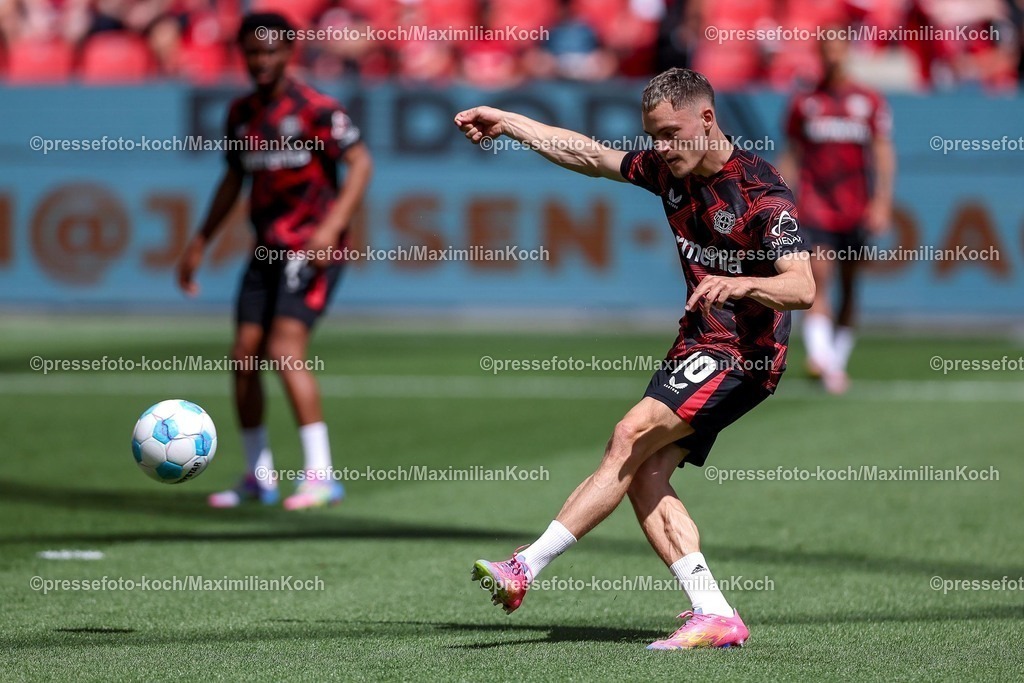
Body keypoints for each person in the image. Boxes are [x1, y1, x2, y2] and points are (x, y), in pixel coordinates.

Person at [455, 67, 815, 650]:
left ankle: (525, 567)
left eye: (671, 133)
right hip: (699, 342)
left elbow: (802, 287)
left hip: (745, 353)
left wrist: (741, 284)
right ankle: (715, 613)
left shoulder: (761, 192)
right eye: (654, 136)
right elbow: (590, 156)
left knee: (630, 432)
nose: (661, 148)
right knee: (646, 473)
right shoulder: (669, 169)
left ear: (707, 119)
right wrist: (510, 124)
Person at [176, 12, 373, 509]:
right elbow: (232, 178)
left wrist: (330, 229)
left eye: (271, 52)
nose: (262, 61)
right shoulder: (242, 114)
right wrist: (201, 239)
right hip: (264, 249)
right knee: (243, 358)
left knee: (285, 349)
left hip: (309, 249)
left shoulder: (316, 110)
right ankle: (258, 476)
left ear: (290, 53)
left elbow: (360, 163)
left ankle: (321, 475)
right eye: (253, 52)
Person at [779, 33, 895, 394]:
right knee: (819, 277)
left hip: (855, 207)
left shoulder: (868, 101)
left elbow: (882, 152)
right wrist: (781, 196)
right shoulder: (804, 102)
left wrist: (881, 202)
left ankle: (835, 359)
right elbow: (792, 154)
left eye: (838, 50)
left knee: (849, 286)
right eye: (825, 51)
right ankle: (820, 358)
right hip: (816, 205)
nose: (831, 58)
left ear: (848, 52)